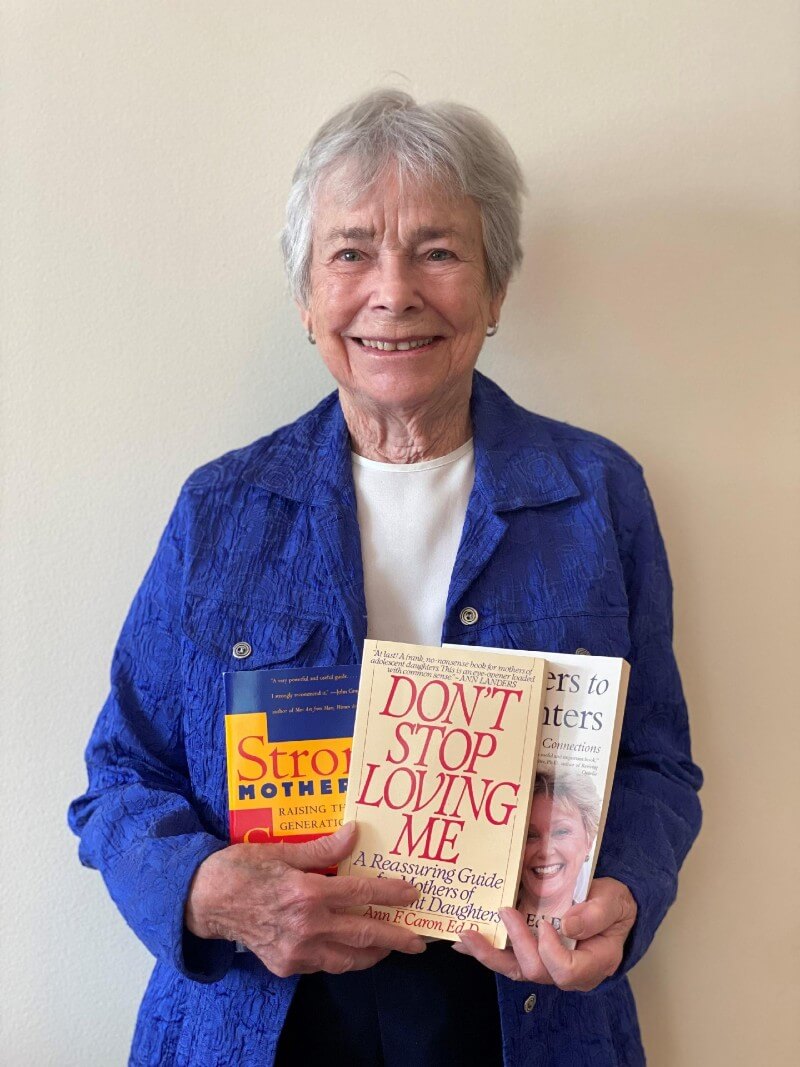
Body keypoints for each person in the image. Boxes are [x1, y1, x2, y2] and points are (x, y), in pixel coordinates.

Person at [69, 90, 702, 1066]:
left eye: (439, 251)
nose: (393, 290)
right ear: (305, 294)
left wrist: (626, 887)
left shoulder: (595, 493)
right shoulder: (220, 509)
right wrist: (206, 890)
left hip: (522, 1017)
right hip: (262, 1014)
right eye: (351, 251)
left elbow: (655, 761)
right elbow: (120, 775)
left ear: (494, 290)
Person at [518, 770, 601, 932]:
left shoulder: (599, 930)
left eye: (561, 832)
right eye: (530, 835)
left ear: (589, 842)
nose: (545, 851)